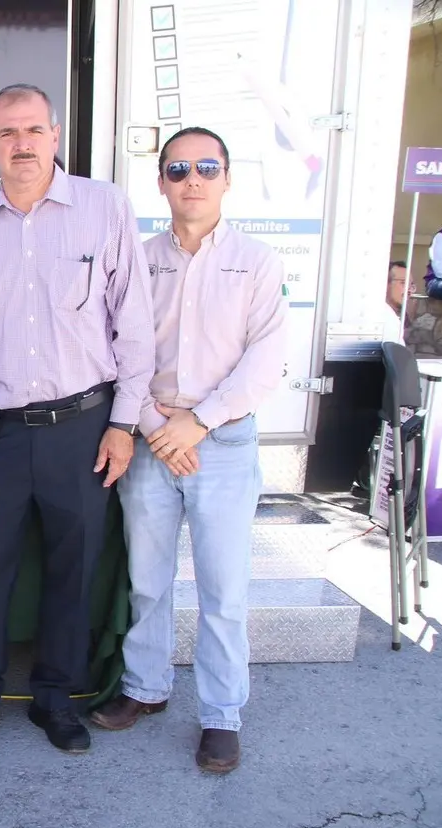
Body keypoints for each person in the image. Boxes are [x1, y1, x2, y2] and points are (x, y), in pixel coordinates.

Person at [0, 83, 155, 754]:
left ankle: (54, 698)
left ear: (55, 134)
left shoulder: (105, 209)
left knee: (74, 571)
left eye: (33, 130)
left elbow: (134, 322)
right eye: (7, 133)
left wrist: (125, 422)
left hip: (84, 427)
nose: (21, 143)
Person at [88, 127, 287, 774]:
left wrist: (197, 424)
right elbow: (118, 349)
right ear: (162, 182)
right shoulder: (140, 259)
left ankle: (221, 714)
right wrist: (151, 424)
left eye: (207, 167)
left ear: (228, 178)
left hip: (221, 443)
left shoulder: (258, 262)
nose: (192, 179)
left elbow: (266, 359)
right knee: (147, 581)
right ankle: (145, 686)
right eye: (178, 169)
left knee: (223, 589)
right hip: (151, 442)